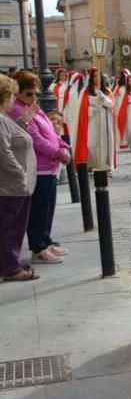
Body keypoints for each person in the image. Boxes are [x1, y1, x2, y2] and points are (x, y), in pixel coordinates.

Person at [10, 70, 72, 265]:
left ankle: (45, 240)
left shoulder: (32, 107)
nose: (34, 97)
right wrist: (58, 152)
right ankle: (38, 247)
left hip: (50, 166)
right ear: (17, 93)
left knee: (47, 207)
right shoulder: (17, 110)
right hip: (40, 166)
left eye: (36, 93)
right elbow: (36, 140)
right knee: (38, 209)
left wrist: (63, 145)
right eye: (29, 93)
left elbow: (50, 130)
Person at [0, 74, 39, 281]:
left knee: (13, 226)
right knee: (12, 227)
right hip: (11, 184)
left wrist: (23, 122)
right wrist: (19, 173)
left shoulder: (5, 119)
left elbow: (14, 140)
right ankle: (11, 268)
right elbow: (4, 152)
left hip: (16, 183)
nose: (13, 100)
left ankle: (8, 263)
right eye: (11, 96)